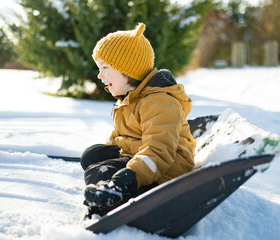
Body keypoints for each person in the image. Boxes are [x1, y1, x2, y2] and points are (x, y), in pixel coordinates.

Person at [81, 23, 196, 218]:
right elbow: (122, 134)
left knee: (100, 172)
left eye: (105, 68)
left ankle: (125, 198)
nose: (99, 75)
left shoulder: (160, 102)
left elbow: (158, 151)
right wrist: (109, 150)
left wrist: (126, 178)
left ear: (127, 69)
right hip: (140, 153)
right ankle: (117, 186)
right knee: (91, 156)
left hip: (167, 166)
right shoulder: (130, 97)